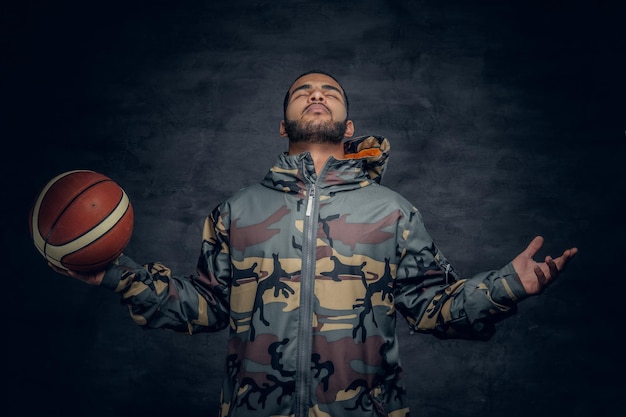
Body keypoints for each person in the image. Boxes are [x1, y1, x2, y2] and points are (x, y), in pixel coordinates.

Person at [50, 70, 578, 417]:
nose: (317, 93)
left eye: (328, 90)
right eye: (304, 90)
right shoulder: (236, 210)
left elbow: (432, 307)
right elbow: (208, 307)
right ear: (284, 125)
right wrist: (118, 274)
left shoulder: (393, 210)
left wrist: (508, 285)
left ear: (348, 127)